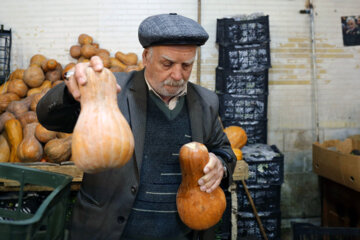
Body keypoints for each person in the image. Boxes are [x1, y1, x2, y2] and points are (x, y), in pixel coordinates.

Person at [37, 13, 236, 240]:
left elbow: (224, 151)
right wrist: (72, 91)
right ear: (146, 57)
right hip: (112, 232)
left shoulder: (206, 102)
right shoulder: (111, 89)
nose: (178, 75)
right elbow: (48, 118)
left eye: (186, 65)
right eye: (167, 64)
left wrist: (220, 164)